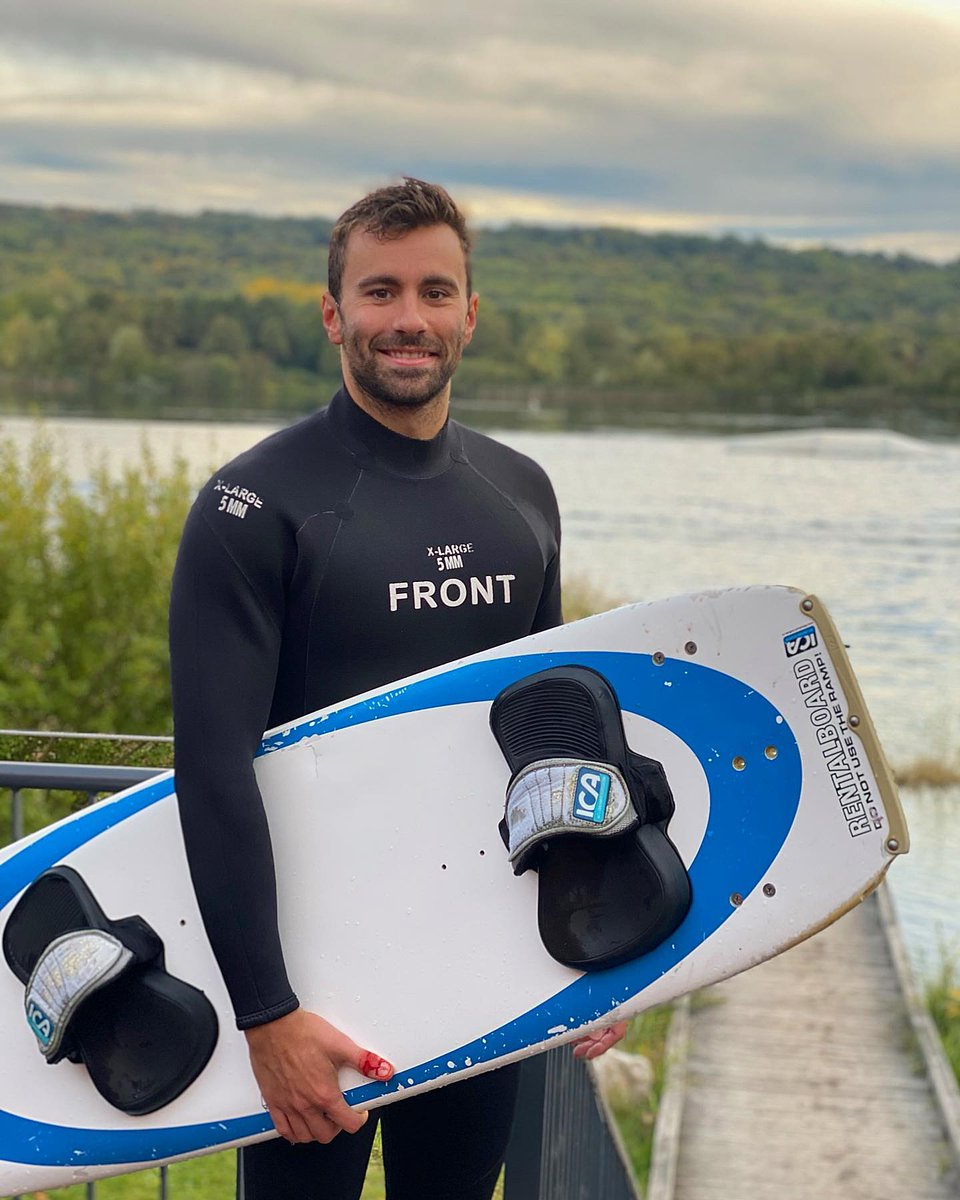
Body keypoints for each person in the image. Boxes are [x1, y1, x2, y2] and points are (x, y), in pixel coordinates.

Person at [169, 177, 624, 1200]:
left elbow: (552, 743)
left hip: (480, 975)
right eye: (379, 292)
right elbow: (212, 774)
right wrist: (265, 1013)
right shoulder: (254, 506)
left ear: (471, 312)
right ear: (334, 314)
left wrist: (597, 940)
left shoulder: (522, 495)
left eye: (433, 291)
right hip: (313, 995)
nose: (407, 319)